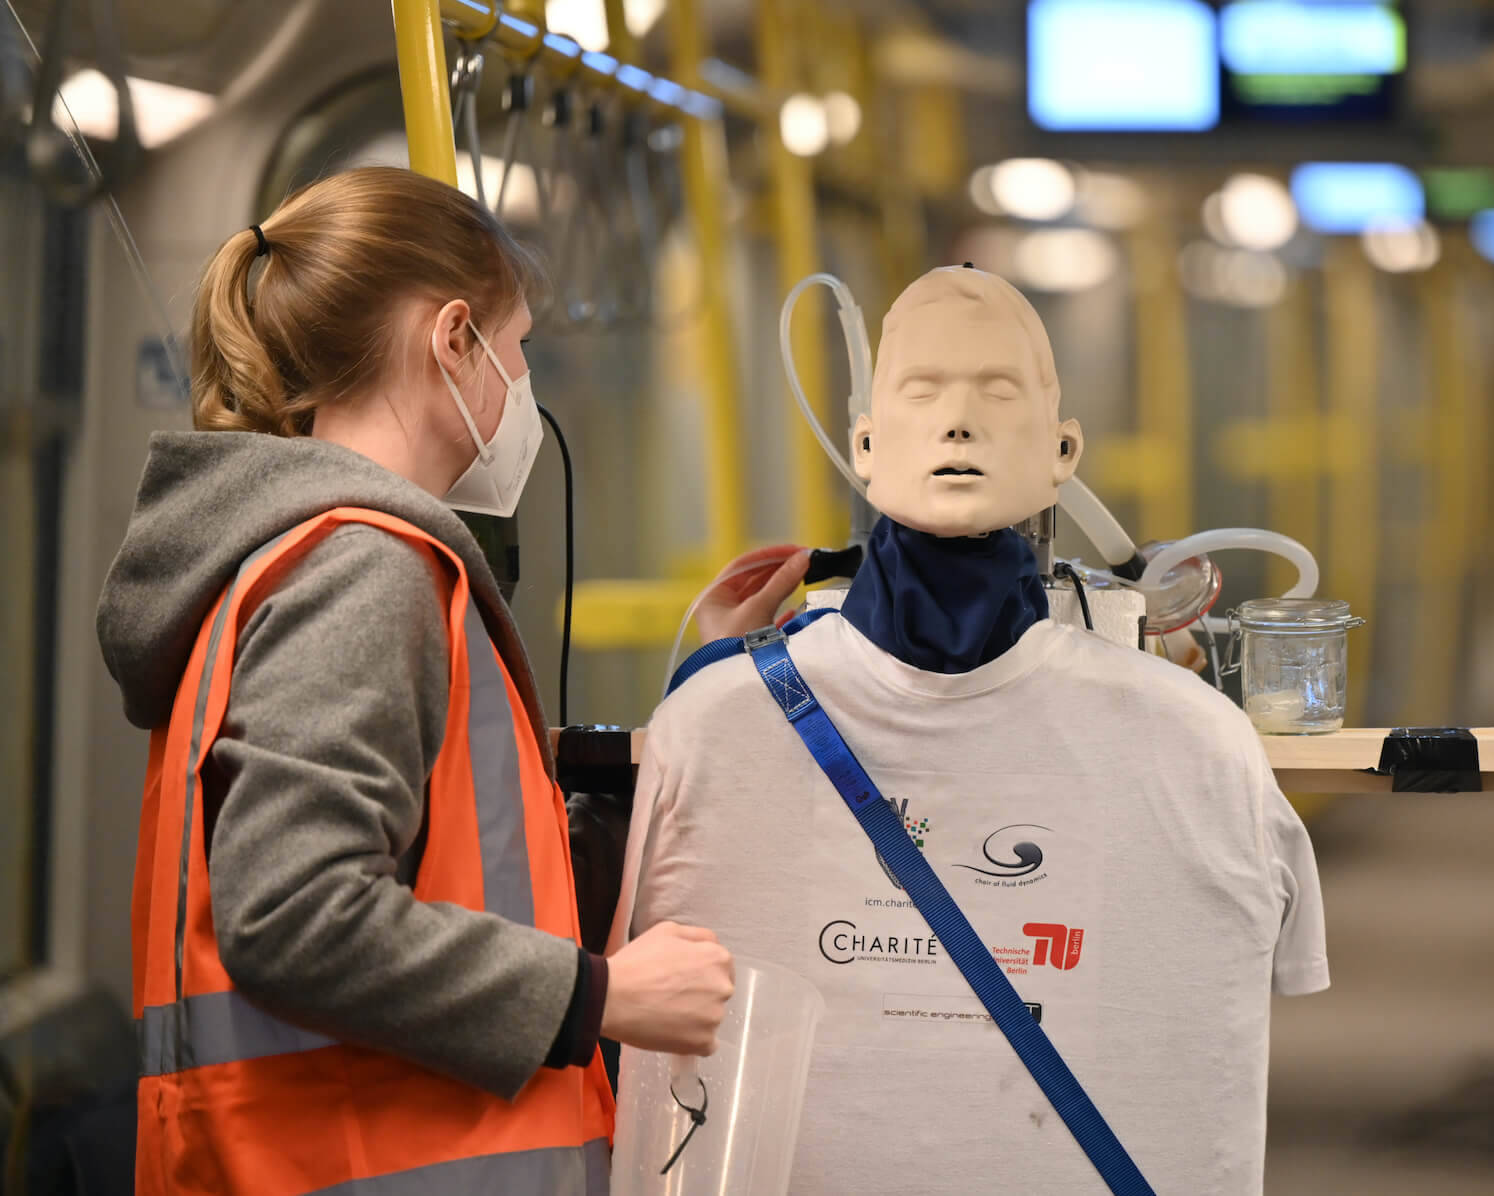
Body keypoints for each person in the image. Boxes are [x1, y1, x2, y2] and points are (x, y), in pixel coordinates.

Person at [95, 165, 804, 1196]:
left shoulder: (291, 557)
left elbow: (474, 855)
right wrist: (599, 995)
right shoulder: (364, 569)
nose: (525, 387)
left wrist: (705, 672)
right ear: (454, 338)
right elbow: (292, 910)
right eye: (519, 350)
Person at [608, 266, 1329, 1193]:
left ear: (1065, 448)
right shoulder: (712, 725)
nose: (958, 423)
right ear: (864, 444)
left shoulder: (1195, 741)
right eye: (924, 393)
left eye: (996, 394)